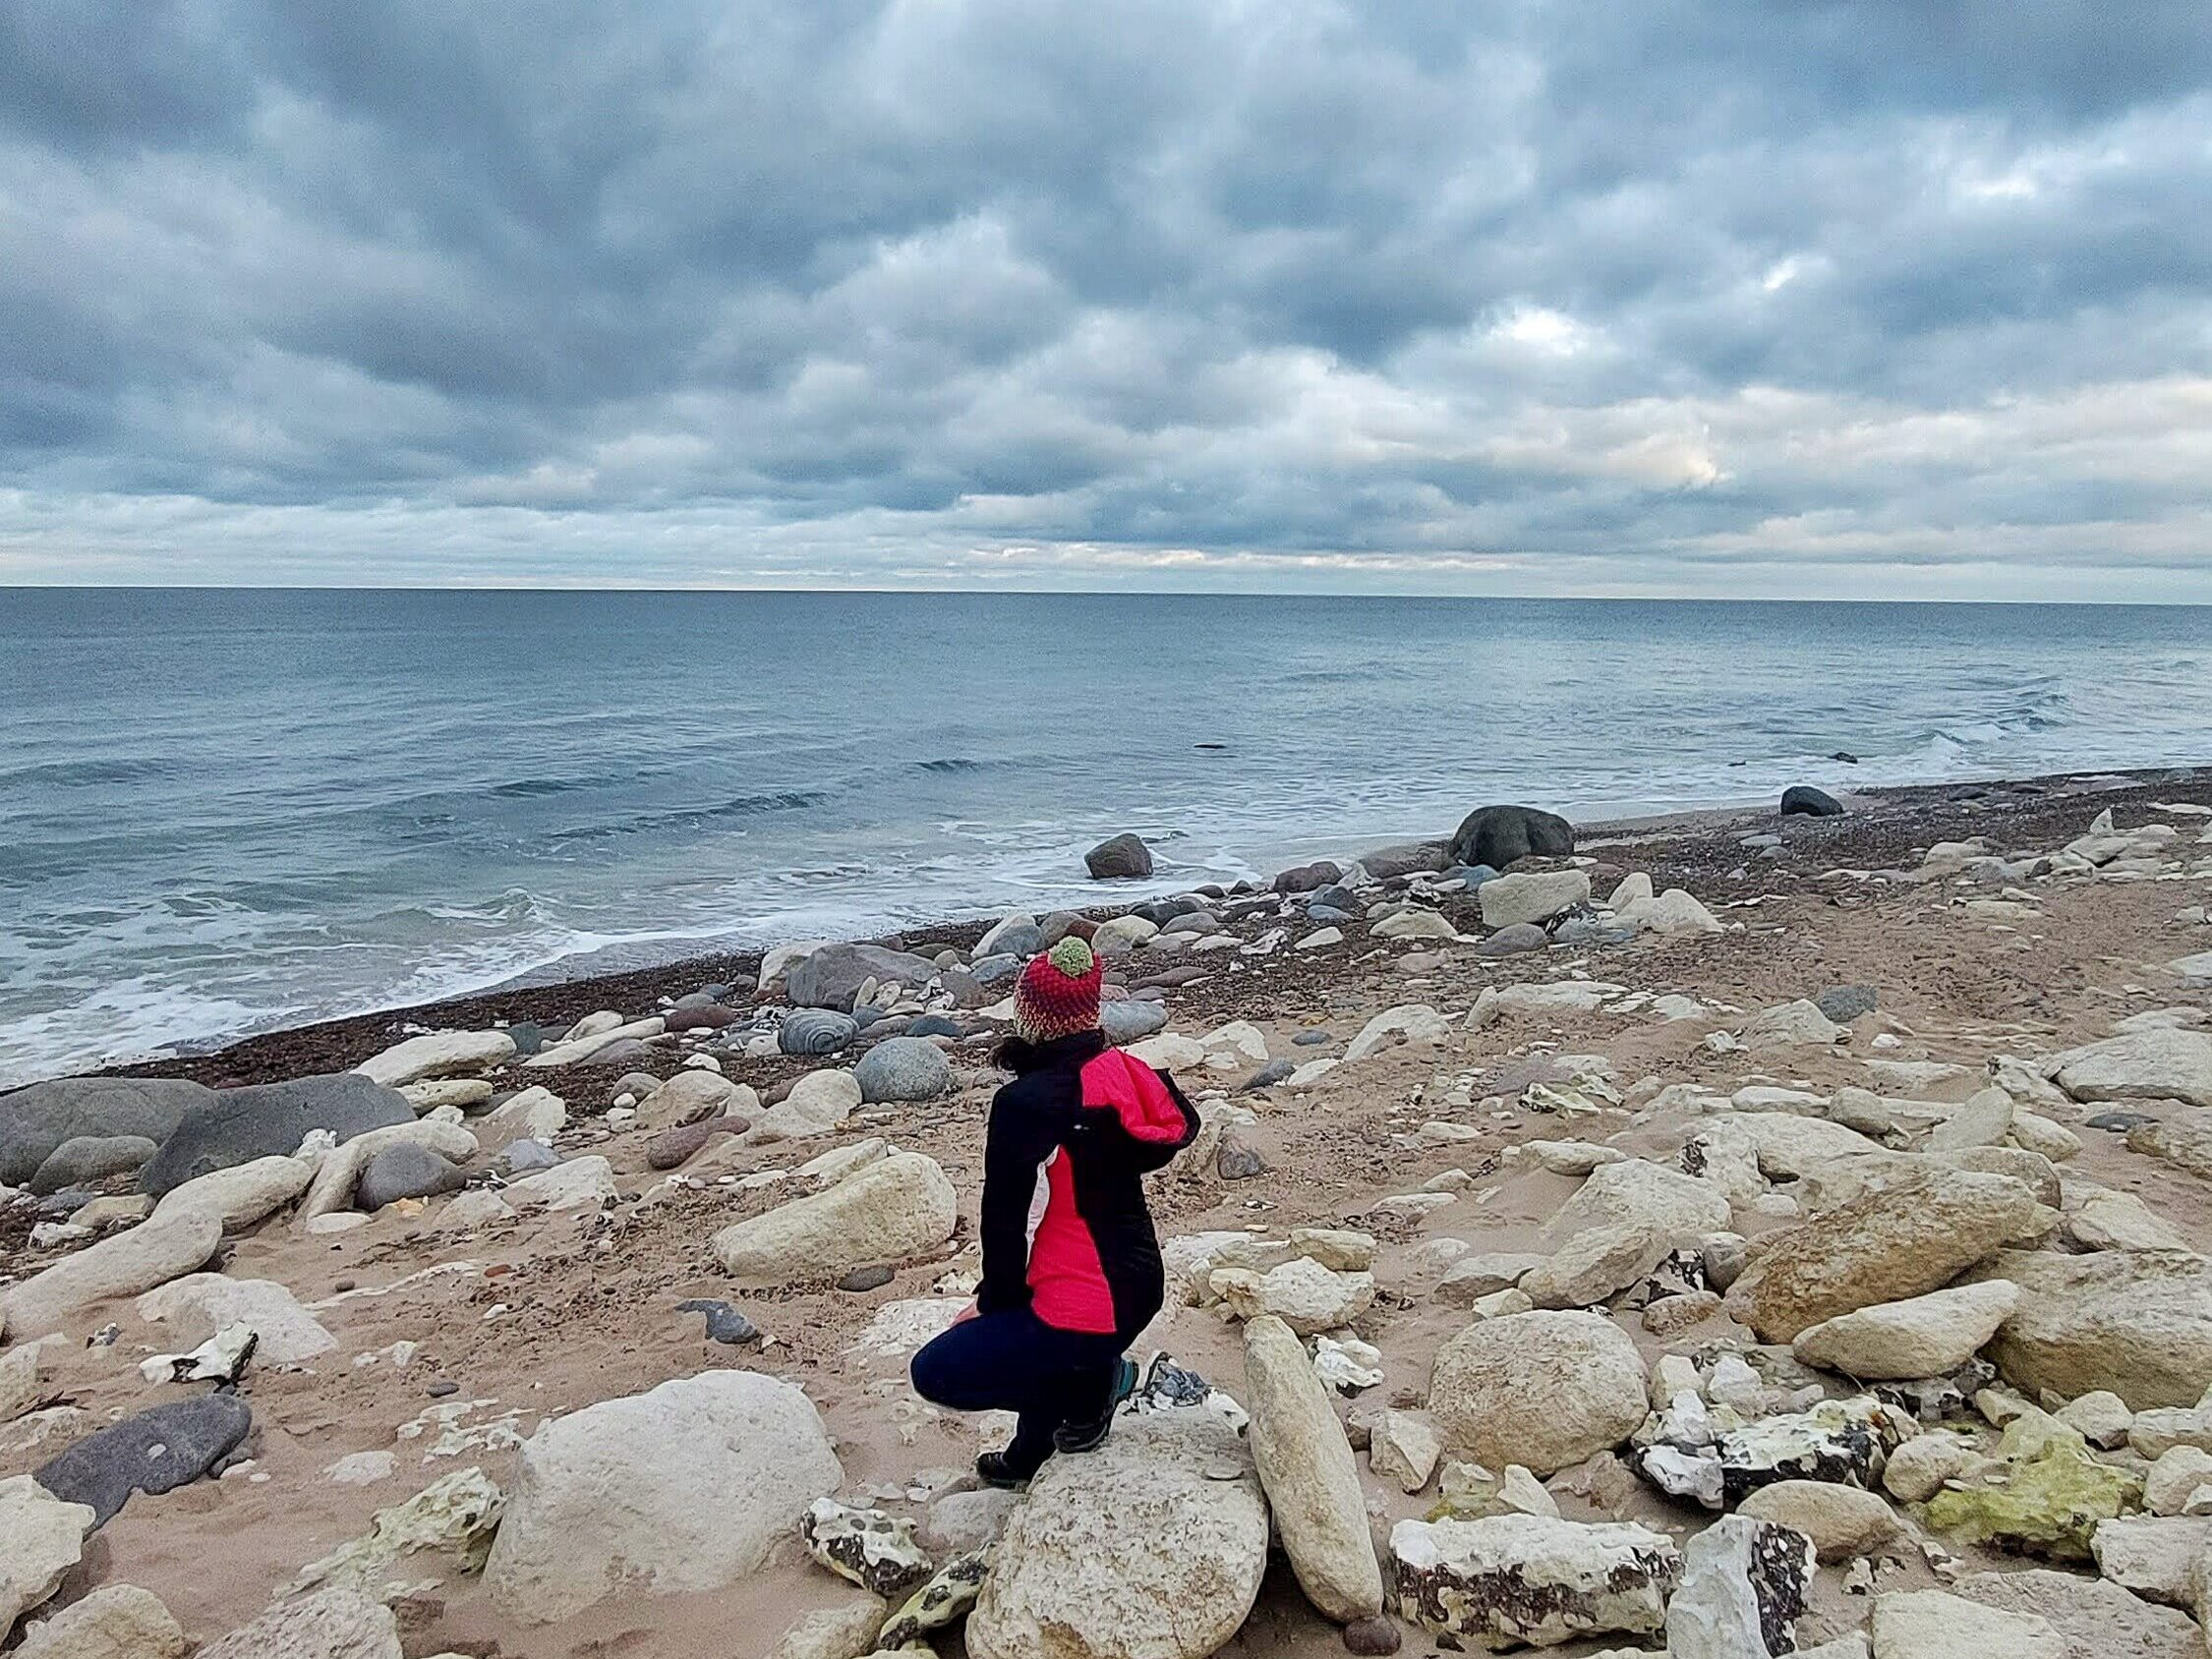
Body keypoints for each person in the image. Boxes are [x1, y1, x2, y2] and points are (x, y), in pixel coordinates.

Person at [908, 933, 1198, 1487]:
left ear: (1030, 1013)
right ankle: (1030, 1453)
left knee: (936, 1372)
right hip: (1139, 1284)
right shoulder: (1121, 1072)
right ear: (1090, 1012)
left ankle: (1094, 1388)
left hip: (1088, 1302)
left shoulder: (1025, 1103)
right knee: (1042, 1342)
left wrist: (994, 1302)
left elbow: (1004, 1219)